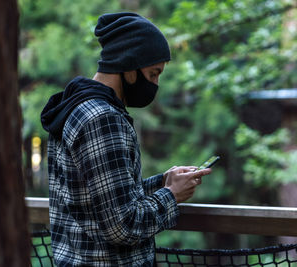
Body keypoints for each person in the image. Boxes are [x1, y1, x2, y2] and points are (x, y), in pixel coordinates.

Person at [40, 12, 211, 266]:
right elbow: (122, 226)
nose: (155, 84)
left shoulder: (77, 108)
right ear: (130, 66)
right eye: (153, 74)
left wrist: (162, 183)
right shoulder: (102, 119)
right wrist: (171, 195)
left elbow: (100, 199)